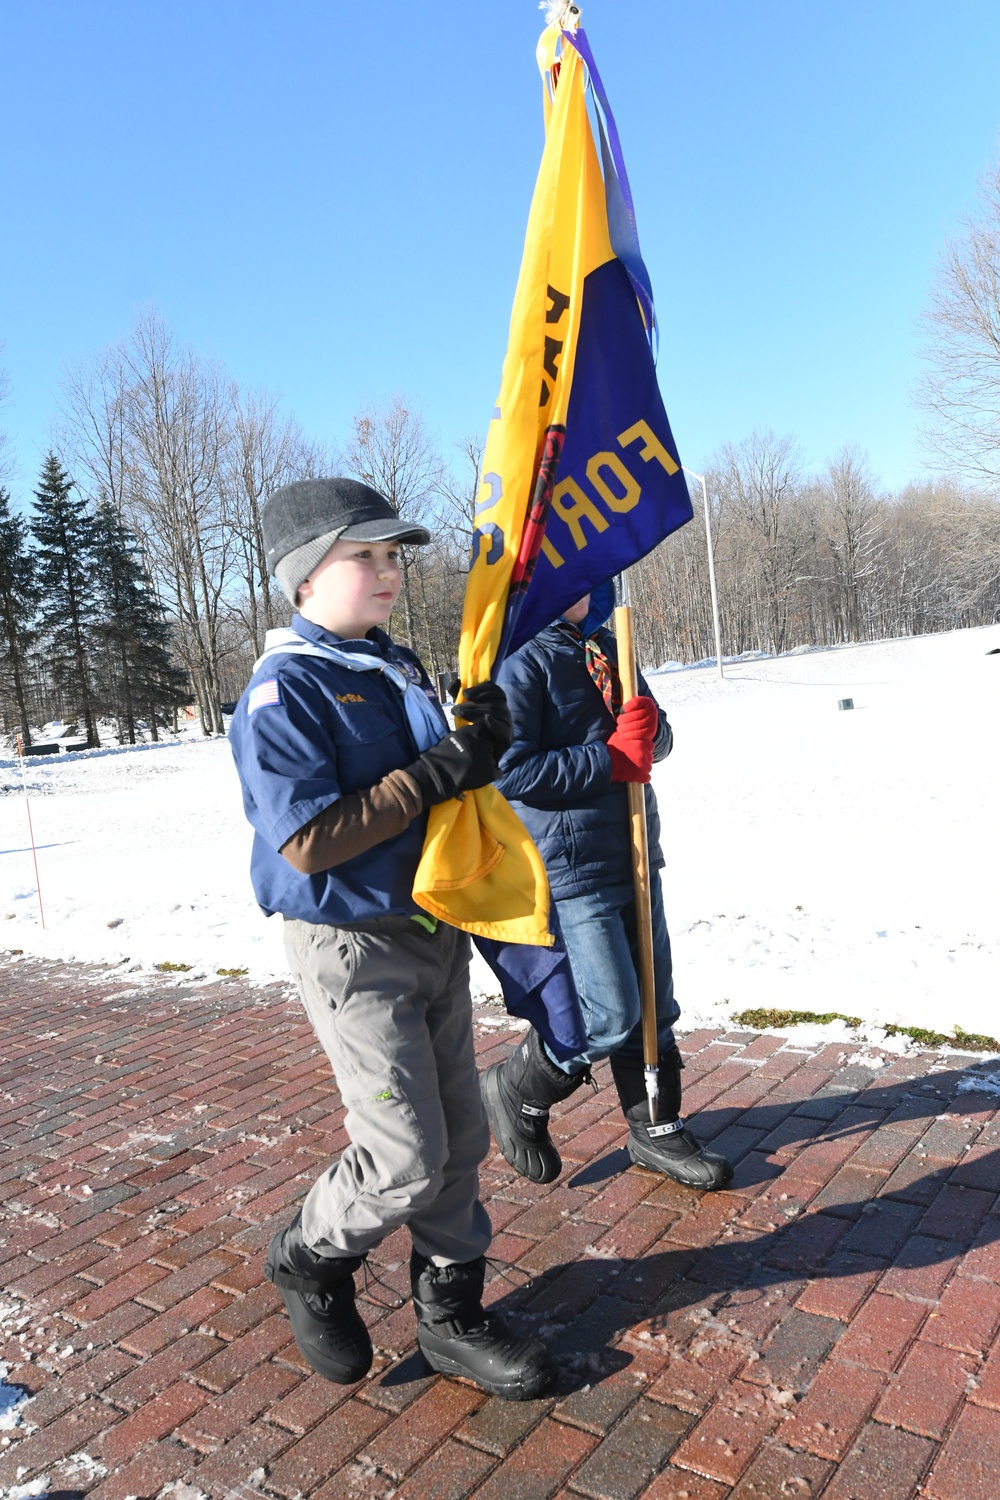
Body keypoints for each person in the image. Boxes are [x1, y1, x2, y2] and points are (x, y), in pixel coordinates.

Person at [228, 477, 553, 1401]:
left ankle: (451, 1318)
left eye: (393, 555)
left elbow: (444, 767)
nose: (388, 571)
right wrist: (433, 772)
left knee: (456, 1142)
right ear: (303, 578)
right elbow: (310, 836)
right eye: (362, 555)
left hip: (428, 926)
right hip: (349, 947)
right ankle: (307, 1254)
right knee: (401, 1158)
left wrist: (478, 736)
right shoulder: (282, 692)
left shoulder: (395, 664)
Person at [483, 591, 732, 1191]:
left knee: (655, 1002)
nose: (588, 588)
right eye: (573, 575)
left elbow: (654, 745)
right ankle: (517, 1086)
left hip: (638, 850)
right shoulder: (518, 660)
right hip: (574, 865)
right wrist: (608, 759)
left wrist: (654, 733)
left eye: (596, 576)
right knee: (612, 1012)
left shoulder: (610, 644)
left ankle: (657, 1128)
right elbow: (510, 770)